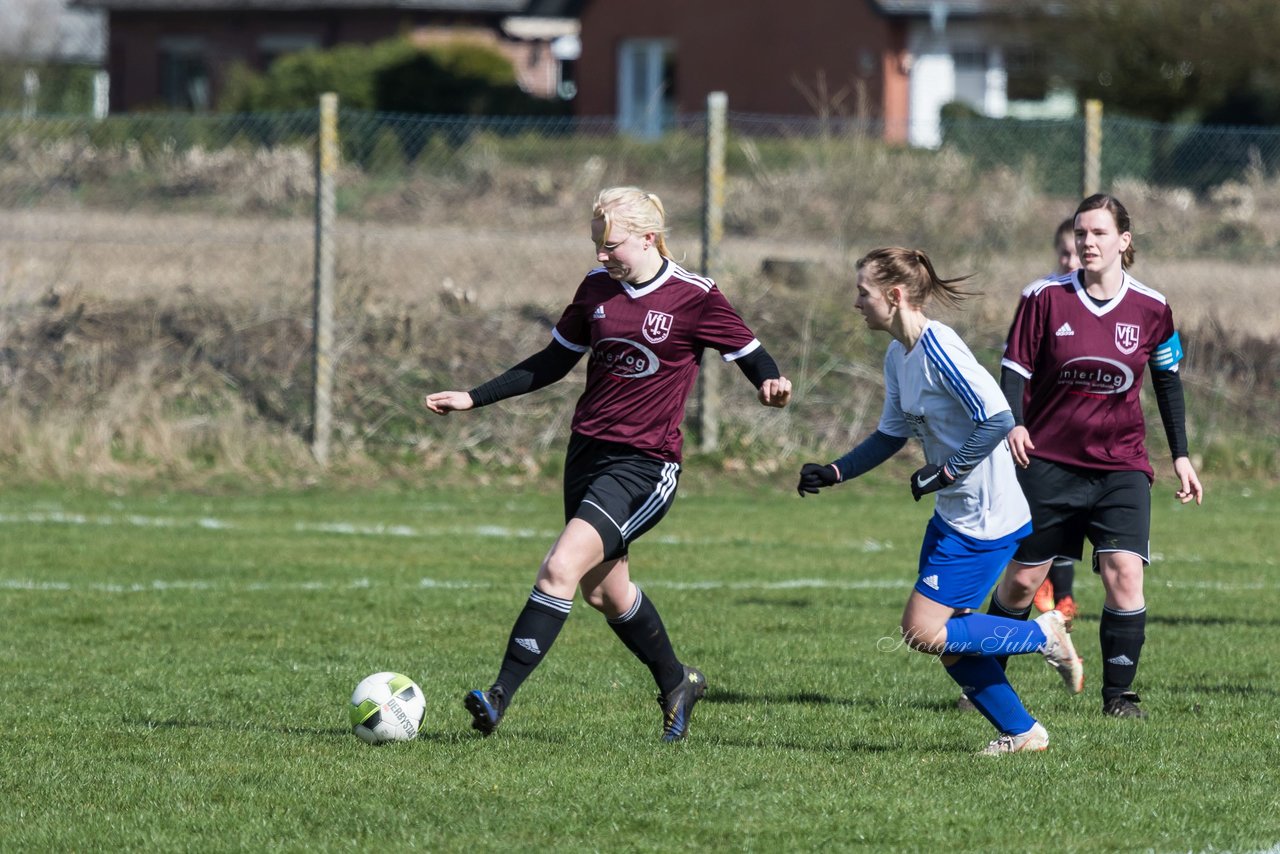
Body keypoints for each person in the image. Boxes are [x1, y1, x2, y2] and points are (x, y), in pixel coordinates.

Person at [425, 186, 793, 742]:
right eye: (597, 243)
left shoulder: (694, 296)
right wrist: (474, 397)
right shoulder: (598, 288)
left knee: (560, 567)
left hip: (645, 465)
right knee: (606, 591)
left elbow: (749, 351)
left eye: (611, 244)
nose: (601, 255)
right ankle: (677, 680)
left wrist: (770, 380)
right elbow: (553, 361)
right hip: (586, 455)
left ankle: (498, 695)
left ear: (649, 239)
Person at [796, 247, 1083, 755]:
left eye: (862, 293)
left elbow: (996, 417)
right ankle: (1024, 733)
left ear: (894, 295)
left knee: (923, 630)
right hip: (954, 513)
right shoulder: (897, 355)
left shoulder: (940, 348)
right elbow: (890, 435)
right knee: (948, 642)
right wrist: (836, 471)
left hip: (984, 516)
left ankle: (1043, 634)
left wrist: (947, 469)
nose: (855, 302)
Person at [990, 194, 1204, 719]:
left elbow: (1168, 384)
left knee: (1125, 572)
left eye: (1099, 233)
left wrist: (1180, 456)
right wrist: (1015, 422)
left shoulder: (1153, 309)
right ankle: (984, 678)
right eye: (1082, 233)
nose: (1087, 242)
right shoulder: (1042, 297)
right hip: (1049, 462)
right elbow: (1014, 370)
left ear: (1124, 242)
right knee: (1021, 581)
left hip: (1121, 465)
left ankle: (1120, 697)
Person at [1032, 217, 1084, 620]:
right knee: (1043, 518)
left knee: (1072, 521)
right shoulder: (1041, 298)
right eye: (1064, 252)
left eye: (1076, 252)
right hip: (1042, 432)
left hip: (1085, 436)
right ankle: (1042, 584)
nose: (1070, 259)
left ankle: (1063, 595)